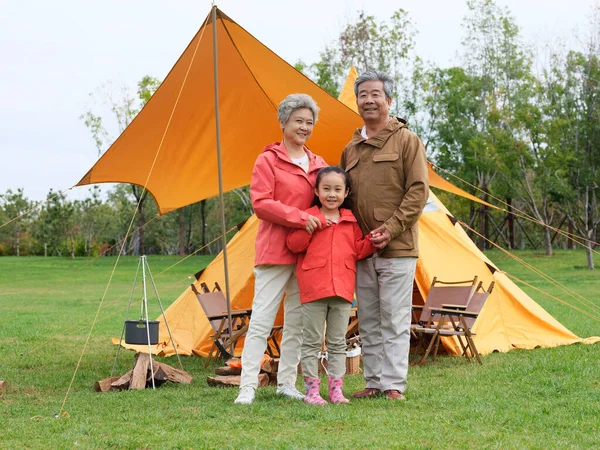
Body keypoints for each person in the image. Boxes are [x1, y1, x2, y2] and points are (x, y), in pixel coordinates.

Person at [340, 70, 429, 401]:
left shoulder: (408, 141)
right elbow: (342, 198)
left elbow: (418, 192)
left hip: (398, 248)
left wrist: (390, 229)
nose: (369, 100)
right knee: (369, 319)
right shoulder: (350, 148)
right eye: (362, 95)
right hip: (362, 250)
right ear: (357, 102)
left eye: (375, 94)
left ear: (389, 101)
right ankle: (374, 382)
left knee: (394, 318)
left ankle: (394, 385)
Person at [234, 93, 328, 405]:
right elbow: (261, 204)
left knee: (297, 323)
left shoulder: (319, 164)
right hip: (275, 252)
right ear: (283, 122)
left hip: (308, 254)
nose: (304, 127)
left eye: (309, 122)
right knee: (262, 319)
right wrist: (301, 218)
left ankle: (287, 383)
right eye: (299, 121)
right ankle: (247, 386)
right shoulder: (268, 160)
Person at [286, 166, 375, 405]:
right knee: (312, 341)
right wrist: (309, 228)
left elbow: (357, 251)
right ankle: (311, 391)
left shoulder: (350, 221)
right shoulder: (309, 216)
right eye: (326, 189)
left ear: (346, 193)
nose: (332, 194)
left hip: (342, 290)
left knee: (337, 342)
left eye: (338, 189)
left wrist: (373, 243)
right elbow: (293, 245)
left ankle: (336, 390)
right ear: (317, 191)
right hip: (314, 288)